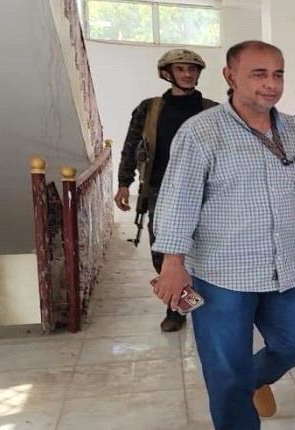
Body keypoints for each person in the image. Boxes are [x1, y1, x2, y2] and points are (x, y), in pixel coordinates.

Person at [150, 41, 295, 430]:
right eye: (259, 74)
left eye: (278, 74)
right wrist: (173, 263)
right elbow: (178, 199)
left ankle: (253, 380)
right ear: (230, 76)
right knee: (226, 370)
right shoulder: (201, 131)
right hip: (222, 274)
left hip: (288, 269)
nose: (271, 84)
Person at [113, 48, 217, 332]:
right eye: (181, 69)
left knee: (208, 250)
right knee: (164, 253)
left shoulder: (213, 110)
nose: (188, 74)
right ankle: (177, 308)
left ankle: (213, 307)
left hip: (207, 192)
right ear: (167, 73)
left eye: (192, 69)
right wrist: (124, 183)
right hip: (161, 191)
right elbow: (132, 146)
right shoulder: (150, 109)